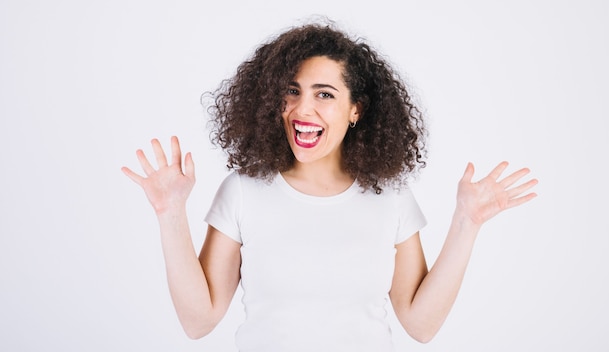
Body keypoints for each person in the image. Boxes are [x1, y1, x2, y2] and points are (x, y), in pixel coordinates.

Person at [122, 22, 538, 352]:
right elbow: (198, 322)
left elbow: (420, 324)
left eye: (324, 94)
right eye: (292, 91)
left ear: (355, 110)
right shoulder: (244, 191)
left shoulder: (389, 196)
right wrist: (170, 213)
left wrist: (467, 221)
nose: (303, 110)